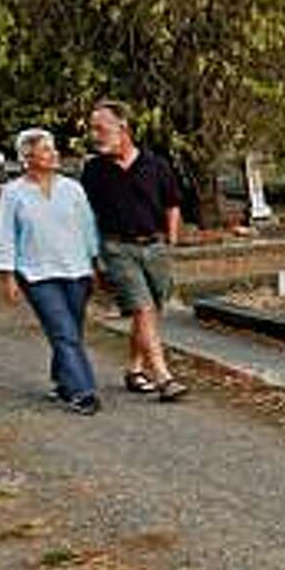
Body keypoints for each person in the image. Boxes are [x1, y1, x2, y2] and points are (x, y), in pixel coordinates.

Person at [0, 128, 102, 415]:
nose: (55, 154)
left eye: (53, 148)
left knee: (70, 331)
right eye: (46, 149)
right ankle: (83, 391)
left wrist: (95, 264)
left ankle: (63, 381)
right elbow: (5, 234)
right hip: (37, 273)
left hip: (76, 270)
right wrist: (9, 274)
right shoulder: (13, 193)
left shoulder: (73, 189)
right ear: (28, 157)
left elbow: (88, 228)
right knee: (63, 332)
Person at [81, 99, 188, 401]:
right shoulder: (94, 170)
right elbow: (87, 216)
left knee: (150, 313)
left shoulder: (156, 165)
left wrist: (171, 240)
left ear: (122, 129)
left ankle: (134, 369)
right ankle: (164, 376)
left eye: (100, 128)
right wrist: (94, 258)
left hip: (155, 247)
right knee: (142, 308)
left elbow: (172, 203)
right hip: (117, 248)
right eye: (93, 129)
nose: (95, 135)